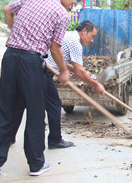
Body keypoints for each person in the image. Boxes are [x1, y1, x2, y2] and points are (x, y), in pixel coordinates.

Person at [0, 0, 79, 178]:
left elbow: (8, 10)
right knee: (35, 113)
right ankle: (36, 164)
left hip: (10, 57)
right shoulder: (62, 14)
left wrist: (16, 32)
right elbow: (55, 48)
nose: (73, 1)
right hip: (30, 62)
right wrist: (63, 71)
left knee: (5, 110)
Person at [41, 20, 105, 149]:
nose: (92, 40)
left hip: (42, 67)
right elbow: (80, 72)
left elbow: (61, 59)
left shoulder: (68, 35)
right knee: (54, 105)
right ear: (84, 31)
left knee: (26, 104)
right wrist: (95, 84)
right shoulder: (75, 43)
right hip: (44, 72)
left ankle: (9, 137)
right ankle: (55, 140)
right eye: (92, 36)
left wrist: (69, 69)